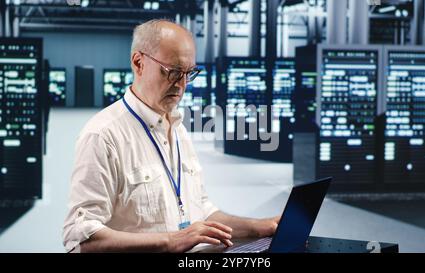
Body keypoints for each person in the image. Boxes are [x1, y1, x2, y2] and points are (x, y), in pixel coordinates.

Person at [63, 19, 280, 253]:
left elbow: (201, 210)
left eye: (189, 73)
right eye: (174, 72)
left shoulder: (178, 128)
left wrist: (258, 228)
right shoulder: (103, 135)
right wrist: (171, 241)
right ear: (138, 63)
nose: (182, 85)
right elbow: (80, 240)